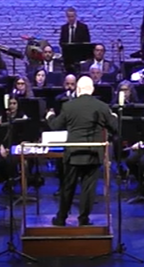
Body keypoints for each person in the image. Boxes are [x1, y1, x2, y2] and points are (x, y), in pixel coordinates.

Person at [45, 76, 118, 226]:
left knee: (68, 186)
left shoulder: (68, 106)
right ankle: (84, 219)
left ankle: (61, 218)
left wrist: (50, 116)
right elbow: (115, 128)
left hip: (73, 153)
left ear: (78, 89)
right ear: (92, 90)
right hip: (93, 153)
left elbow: (55, 126)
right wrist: (114, 117)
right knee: (88, 188)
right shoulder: (102, 107)